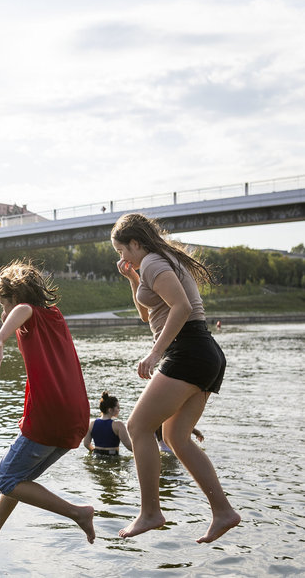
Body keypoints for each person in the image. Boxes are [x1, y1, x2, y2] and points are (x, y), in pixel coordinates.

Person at [111, 213, 240, 543]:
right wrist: (132, 279)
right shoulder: (154, 264)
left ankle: (151, 512)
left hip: (189, 351)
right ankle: (223, 511)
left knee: (138, 427)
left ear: (135, 243)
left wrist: (155, 353)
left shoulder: (154, 262)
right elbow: (148, 315)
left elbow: (181, 308)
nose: (121, 258)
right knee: (174, 437)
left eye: (123, 250)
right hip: (204, 353)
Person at [0, 259, 95, 548]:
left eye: (3, 303)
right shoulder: (54, 316)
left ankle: (78, 513)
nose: (3, 311)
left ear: (17, 297)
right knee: (19, 481)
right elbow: (22, 312)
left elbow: (22, 309)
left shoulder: (27, 312)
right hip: (75, 417)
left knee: (5, 480)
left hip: (49, 418)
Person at [83, 391, 132, 456]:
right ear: (110, 410)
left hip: (97, 456)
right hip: (113, 458)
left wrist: (94, 451)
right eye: (117, 407)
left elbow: (86, 444)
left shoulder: (92, 424)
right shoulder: (118, 425)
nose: (119, 410)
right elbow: (129, 446)